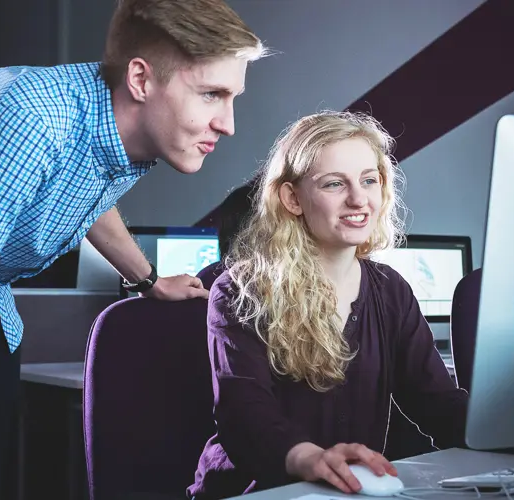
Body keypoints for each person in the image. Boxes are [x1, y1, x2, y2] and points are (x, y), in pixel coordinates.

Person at [0, 1, 267, 498]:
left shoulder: (107, 127)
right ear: (141, 80)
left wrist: (147, 280)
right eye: (212, 94)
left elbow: (84, 196)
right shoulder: (30, 121)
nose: (227, 123)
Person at [186, 111, 469, 499]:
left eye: (369, 180)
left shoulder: (390, 290)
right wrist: (310, 459)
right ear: (292, 198)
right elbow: (244, 414)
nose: (358, 198)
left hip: (345, 492)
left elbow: (435, 402)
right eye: (335, 183)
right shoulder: (241, 291)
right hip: (254, 492)